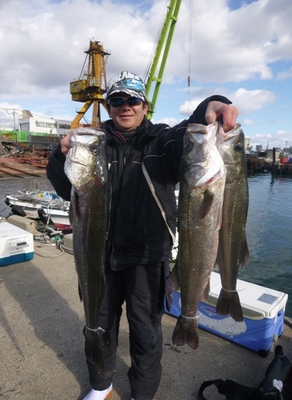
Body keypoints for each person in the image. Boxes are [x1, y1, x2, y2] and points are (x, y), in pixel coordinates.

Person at [46, 70, 238, 400]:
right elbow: (67, 189)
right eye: (117, 100)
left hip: (148, 258)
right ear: (108, 107)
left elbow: (186, 136)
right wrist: (60, 156)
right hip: (100, 256)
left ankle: (141, 393)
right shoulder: (93, 143)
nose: (125, 106)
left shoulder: (160, 142)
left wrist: (211, 104)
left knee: (146, 333)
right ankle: (101, 385)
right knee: (99, 324)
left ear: (144, 106)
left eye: (132, 100)